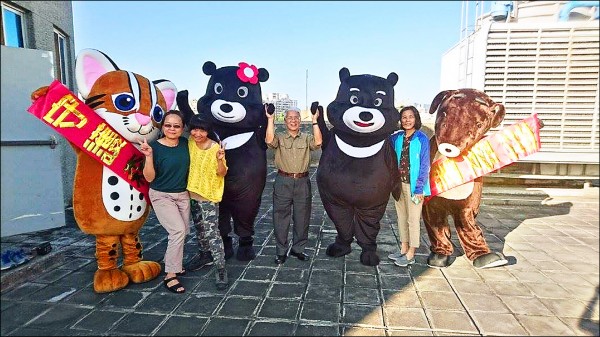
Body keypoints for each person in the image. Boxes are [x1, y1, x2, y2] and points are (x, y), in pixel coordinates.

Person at [140, 110, 190, 294]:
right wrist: (148, 156)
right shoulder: (155, 147)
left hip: (182, 194)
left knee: (184, 231)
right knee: (177, 231)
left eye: (176, 126)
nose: (172, 129)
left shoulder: (185, 143)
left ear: (182, 128)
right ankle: (170, 274)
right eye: (168, 125)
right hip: (161, 195)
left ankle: (175, 264)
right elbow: (150, 178)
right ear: (162, 126)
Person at [265, 106, 322, 264]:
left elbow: (318, 142)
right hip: (283, 181)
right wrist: (270, 119)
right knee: (280, 217)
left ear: (300, 120)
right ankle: (281, 251)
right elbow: (269, 140)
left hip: (303, 181)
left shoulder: (306, 137)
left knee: (302, 217)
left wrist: (314, 121)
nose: (293, 120)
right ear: (284, 121)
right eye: (290, 118)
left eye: (296, 117)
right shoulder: (280, 137)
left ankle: (298, 249)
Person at [184, 115, 230, 290]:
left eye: (202, 130)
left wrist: (220, 159)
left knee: (212, 232)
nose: (197, 133)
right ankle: (204, 255)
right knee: (199, 229)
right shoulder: (189, 142)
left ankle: (220, 267)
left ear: (208, 131)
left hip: (208, 196)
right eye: (195, 129)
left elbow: (222, 173)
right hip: (192, 194)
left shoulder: (215, 147)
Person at [389, 106, 431, 267]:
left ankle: (411, 253)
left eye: (410, 117)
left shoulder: (422, 138)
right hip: (399, 185)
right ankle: (403, 248)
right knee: (401, 218)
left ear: (416, 119)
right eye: (404, 117)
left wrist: (419, 188)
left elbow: (424, 165)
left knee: (413, 220)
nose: (407, 120)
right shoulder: (397, 138)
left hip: (415, 187)